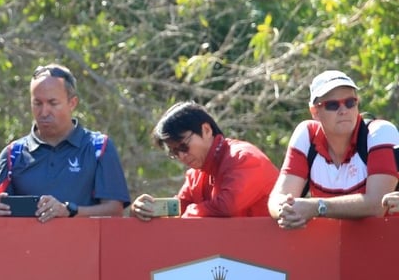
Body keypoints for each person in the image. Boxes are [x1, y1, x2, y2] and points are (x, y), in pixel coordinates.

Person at [0, 64, 130, 221]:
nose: (44, 112)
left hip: (83, 244)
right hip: (27, 245)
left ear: (72, 103)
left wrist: (69, 210)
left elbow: (114, 211)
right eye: (37, 103)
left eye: (53, 103)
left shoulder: (99, 147)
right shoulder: (11, 155)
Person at [268, 70, 398, 229]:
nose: (344, 110)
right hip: (331, 249)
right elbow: (277, 198)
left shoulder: (380, 132)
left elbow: (377, 204)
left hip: (386, 246)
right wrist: (285, 210)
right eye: (332, 105)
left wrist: (317, 207)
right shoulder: (306, 135)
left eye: (350, 102)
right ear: (315, 112)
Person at [131, 102, 278, 220]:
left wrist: (188, 213)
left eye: (183, 146)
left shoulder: (243, 158)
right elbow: (179, 207)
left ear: (207, 130)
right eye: (174, 152)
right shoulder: (196, 175)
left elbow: (226, 207)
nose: (181, 156)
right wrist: (147, 210)